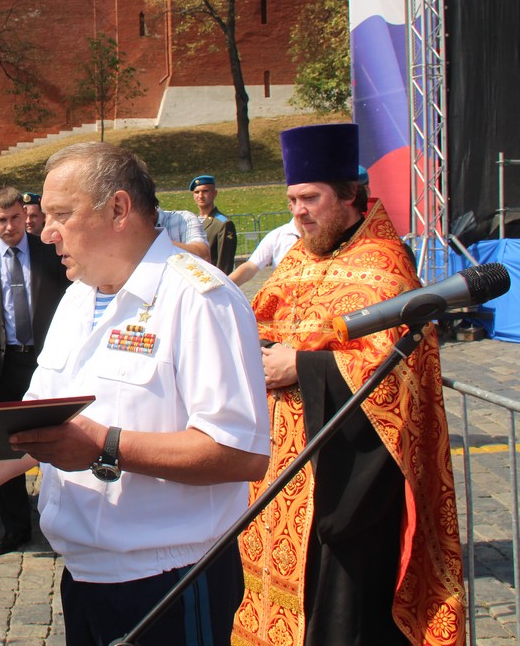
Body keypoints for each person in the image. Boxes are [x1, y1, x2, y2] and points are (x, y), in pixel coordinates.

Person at [0, 142, 269, 646]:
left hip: (170, 578)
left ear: (118, 209)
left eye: (61, 215)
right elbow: (36, 420)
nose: (46, 232)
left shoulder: (200, 299)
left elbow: (240, 453)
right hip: (84, 576)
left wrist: (106, 446)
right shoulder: (78, 297)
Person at [233, 123, 465, 646]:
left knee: (341, 613)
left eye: (310, 199)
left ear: (348, 196)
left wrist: (303, 367)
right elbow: (260, 318)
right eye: (292, 200)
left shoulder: (385, 264)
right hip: (278, 467)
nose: (298, 212)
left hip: (344, 477)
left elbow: (397, 373)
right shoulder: (297, 257)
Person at [0, 186, 70, 554]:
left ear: (26, 216)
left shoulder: (50, 252)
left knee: (57, 439)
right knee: (7, 447)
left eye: (15, 218)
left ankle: (65, 520)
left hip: (46, 360)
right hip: (0, 367)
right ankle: (16, 527)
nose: (9, 226)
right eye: (1, 220)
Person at [228, 218, 300, 287]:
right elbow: (250, 266)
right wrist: (226, 285)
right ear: (291, 209)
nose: (303, 212)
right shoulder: (276, 236)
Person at [189, 174, 238, 273]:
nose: (200, 196)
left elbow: (225, 263)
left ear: (214, 193)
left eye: (205, 191)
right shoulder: (192, 221)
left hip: (210, 277)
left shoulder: (223, 224)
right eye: (197, 192)